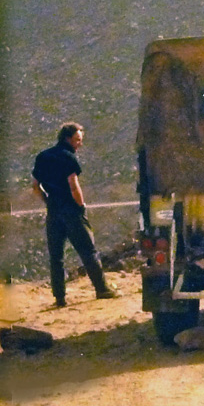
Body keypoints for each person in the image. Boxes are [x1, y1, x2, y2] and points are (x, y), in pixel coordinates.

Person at [31, 122, 120, 307]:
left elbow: (35, 186)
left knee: (56, 257)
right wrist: (81, 205)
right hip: (71, 209)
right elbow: (73, 185)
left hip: (53, 210)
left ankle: (60, 298)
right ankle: (102, 289)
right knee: (88, 251)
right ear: (68, 139)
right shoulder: (69, 157)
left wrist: (48, 201)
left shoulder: (42, 156)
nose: (80, 143)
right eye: (78, 139)